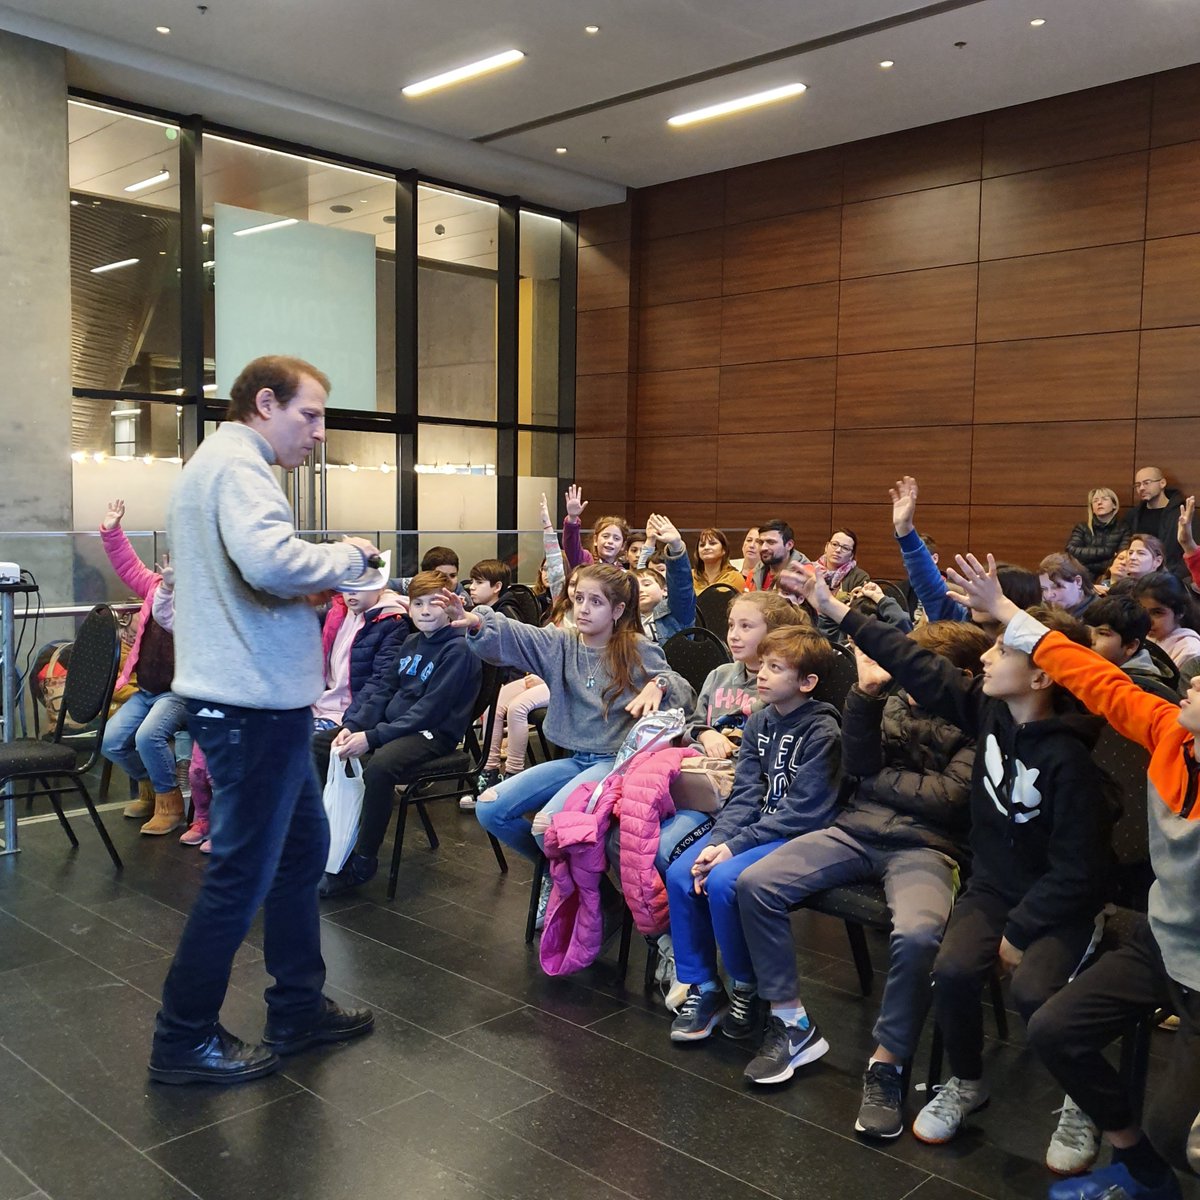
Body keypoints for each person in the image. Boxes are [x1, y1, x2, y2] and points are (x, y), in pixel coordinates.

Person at [799, 562, 1112, 1158]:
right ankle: (967, 1082)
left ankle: (1086, 1100)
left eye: (1002, 650)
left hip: (1062, 899)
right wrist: (835, 609)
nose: (986, 658)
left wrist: (1019, 932)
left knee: (1036, 995)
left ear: (1042, 674)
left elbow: (1080, 870)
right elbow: (911, 658)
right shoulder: (987, 712)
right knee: (955, 971)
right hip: (994, 886)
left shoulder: (1071, 762)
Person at [151, 354, 379, 1086]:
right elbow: (272, 563)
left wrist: (298, 587)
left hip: (256, 701)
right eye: (309, 415)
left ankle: (297, 1008)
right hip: (249, 705)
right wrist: (349, 556)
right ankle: (182, 1037)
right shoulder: (240, 467)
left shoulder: (217, 465)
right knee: (241, 874)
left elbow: (248, 576)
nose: (318, 432)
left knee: (299, 853)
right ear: (265, 404)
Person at [950, 553, 1200, 1200]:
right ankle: (1140, 1171)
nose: (1192, 685)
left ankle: (1156, 1164)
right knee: (1055, 1029)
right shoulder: (1170, 733)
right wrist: (1006, 611)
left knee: (1179, 1135)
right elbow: (1093, 676)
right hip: (1164, 941)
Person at [735, 620, 988, 1131]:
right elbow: (855, 766)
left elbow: (949, 800)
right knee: (755, 884)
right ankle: (791, 1022)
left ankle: (887, 1063)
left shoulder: (983, 722)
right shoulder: (888, 700)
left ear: (958, 678)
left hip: (929, 848)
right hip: (855, 831)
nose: (906, 679)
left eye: (921, 671)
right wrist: (865, 695)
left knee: (918, 935)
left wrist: (876, 777)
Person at [440, 565, 694, 869]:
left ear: (617, 610)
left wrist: (660, 683)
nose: (583, 609)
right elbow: (517, 634)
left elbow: (684, 692)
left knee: (546, 827)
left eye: (596, 602)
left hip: (614, 764)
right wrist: (478, 622)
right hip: (575, 759)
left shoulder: (636, 648)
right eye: (580, 598)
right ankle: (556, 873)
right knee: (490, 809)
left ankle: (581, 885)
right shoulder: (561, 643)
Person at [666, 626, 841, 1045]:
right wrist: (717, 842)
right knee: (681, 872)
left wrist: (733, 847)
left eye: (775, 668)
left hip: (797, 835)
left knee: (724, 881)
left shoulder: (823, 732)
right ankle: (704, 986)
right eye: (762, 665)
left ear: (806, 682)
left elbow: (803, 812)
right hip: (754, 829)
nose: (760, 674)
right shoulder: (759, 721)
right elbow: (744, 795)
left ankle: (746, 987)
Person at [317, 570, 483, 897]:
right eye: (418, 603)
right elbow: (382, 691)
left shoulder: (459, 650)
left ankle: (363, 860)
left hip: (433, 734)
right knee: (320, 746)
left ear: (451, 605)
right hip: (395, 728)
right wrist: (353, 726)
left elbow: (430, 711)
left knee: (379, 767)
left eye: (434, 603)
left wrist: (373, 737)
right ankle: (327, 841)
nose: (425, 611)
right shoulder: (411, 642)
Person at [98, 498, 189, 835]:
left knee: (149, 736)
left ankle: (170, 802)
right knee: (110, 740)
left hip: (177, 692)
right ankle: (151, 787)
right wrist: (112, 530)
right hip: (147, 688)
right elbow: (127, 565)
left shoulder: (201, 597)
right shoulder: (154, 586)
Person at [891, 475, 1041, 628]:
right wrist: (905, 530)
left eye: (984, 588)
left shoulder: (1029, 638)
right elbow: (930, 586)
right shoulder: (960, 621)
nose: (973, 592)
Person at [1081, 593, 1182, 702]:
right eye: (1087, 631)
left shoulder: (1145, 692)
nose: (1090, 639)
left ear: (1131, 646)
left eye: (1103, 633)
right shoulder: (1091, 667)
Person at [634, 513, 697, 643]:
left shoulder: (676, 614)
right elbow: (640, 572)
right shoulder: (622, 619)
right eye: (635, 587)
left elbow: (681, 586)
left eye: (646, 584)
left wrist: (676, 546)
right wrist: (650, 540)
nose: (640, 590)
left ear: (665, 590)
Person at [1135, 572, 1200, 682]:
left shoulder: (1190, 652)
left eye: (1157, 612)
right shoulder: (1141, 637)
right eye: (1142, 610)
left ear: (1180, 612)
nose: (1147, 620)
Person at [1132, 467, 1192, 581]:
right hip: (1138, 577)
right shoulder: (1134, 515)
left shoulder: (1182, 513)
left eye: (1146, 483)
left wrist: (1171, 577)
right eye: (1138, 485)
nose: (1141, 488)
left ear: (1162, 483)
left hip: (1172, 578)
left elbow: (1192, 550)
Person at [561, 483, 630, 570]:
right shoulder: (585, 561)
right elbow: (572, 547)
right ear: (595, 540)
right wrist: (572, 518)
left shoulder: (623, 574)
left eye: (616, 538)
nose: (610, 541)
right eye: (605, 536)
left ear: (623, 545)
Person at [1067, 488, 1128, 577]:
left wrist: (1086, 563)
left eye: (1104, 499)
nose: (1099, 503)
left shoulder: (1123, 528)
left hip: (1110, 577)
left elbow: (1121, 558)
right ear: (1092, 508)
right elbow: (1071, 551)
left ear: (1114, 505)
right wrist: (1108, 552)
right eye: (1095, 501)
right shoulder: (1082, 528)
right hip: (1084, 577)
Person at [749, 518, 807, 592]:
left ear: (789, 545)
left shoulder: (806, 575)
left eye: (771, 542)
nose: (763, 548)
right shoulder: (754, 574)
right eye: (761, 542)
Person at [815, 528, 869, 598]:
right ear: (826, 547)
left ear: (851, 555)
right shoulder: (809, 570)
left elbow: (860, 604)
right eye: (835, 544)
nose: (838, 550)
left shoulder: (859, 577)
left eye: (845, 548)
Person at [1040, 552, 1096, 618]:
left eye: (1058, 586)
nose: (1049, 595)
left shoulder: (1098, 615)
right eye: (1044, 588)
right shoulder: (1047, 613)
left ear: (1078, 582)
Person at [693, 528, 747, 593]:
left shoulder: (734, 577)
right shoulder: (690, 576)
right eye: (702, 545)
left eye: (712, 543)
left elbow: (717, 597)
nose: (706, 548)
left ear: (724, 550)